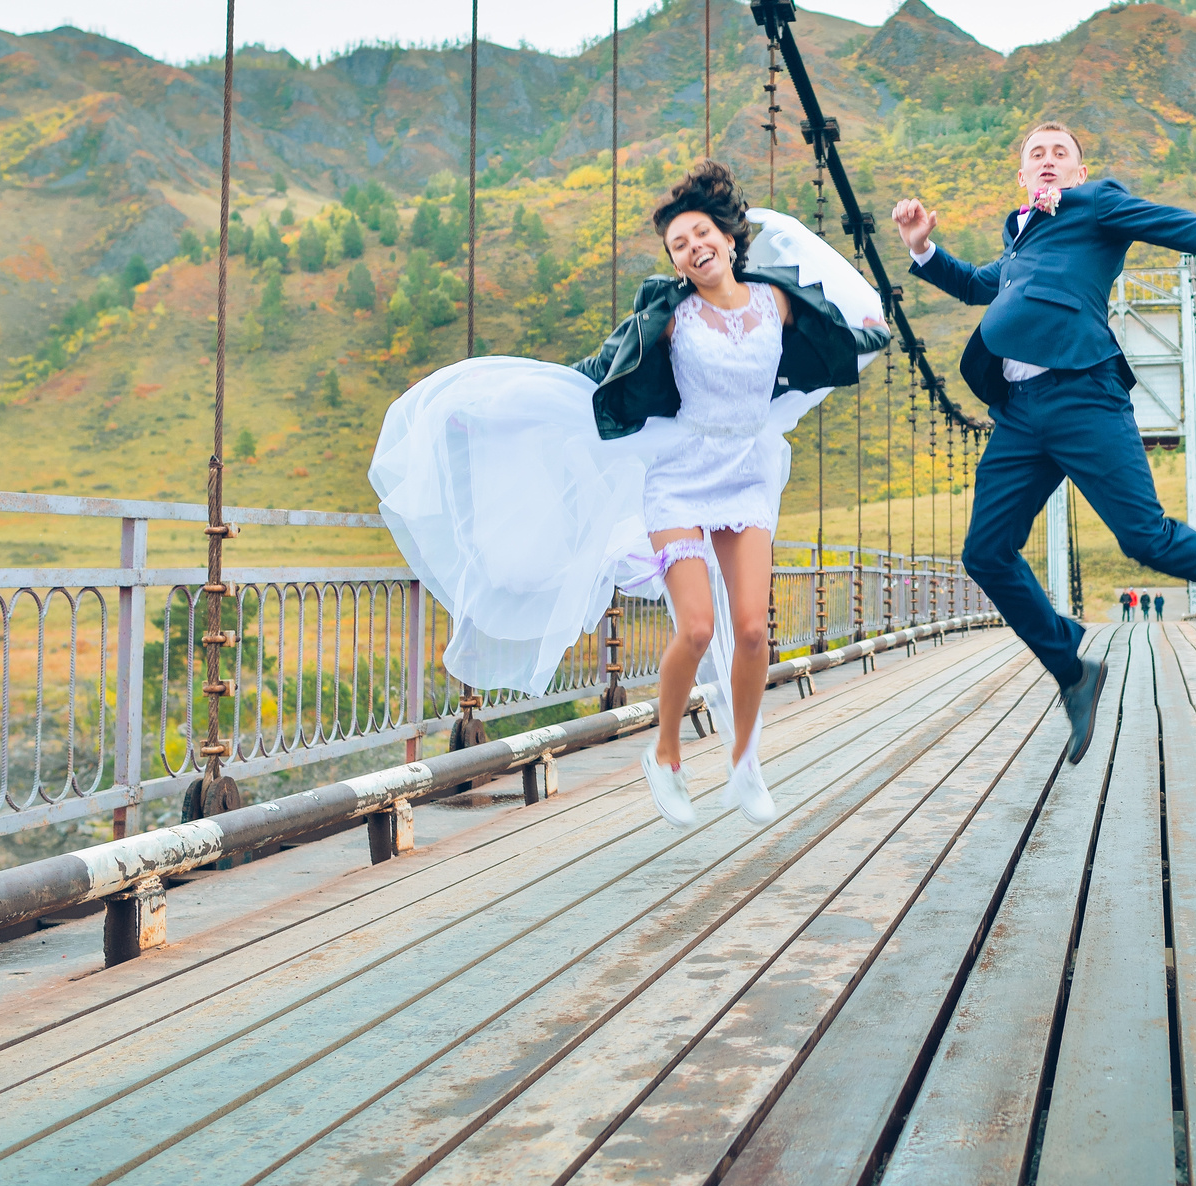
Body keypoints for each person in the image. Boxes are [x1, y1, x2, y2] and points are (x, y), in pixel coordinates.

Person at [372, 159, 888, 834]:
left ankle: (744, 760)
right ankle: (667, 754)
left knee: (755, 630)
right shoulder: (668, 314)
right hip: (676, 474)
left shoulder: (777, 301)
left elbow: (839, 342)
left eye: (701, 233)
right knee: (699, 627)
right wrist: (504, 412)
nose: (694, 248)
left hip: (746, 473)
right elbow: (596, 375)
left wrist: (878, 329)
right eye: (679, 244)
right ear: (675, 259)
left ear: (729, 237)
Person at [893, 124, 1196, 760]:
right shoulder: (1018, 238)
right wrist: (923, 250)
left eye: (1057, 154)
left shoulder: (1095, 204)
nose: (1046, 161)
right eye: (1035, 154)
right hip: (1018, 410)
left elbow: (1176, 224)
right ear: (1021, 175)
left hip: (1083, 394)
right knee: (985, 553)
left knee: (1142, 537)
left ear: (1077, 171)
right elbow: (983, 287)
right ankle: (1073, 670)